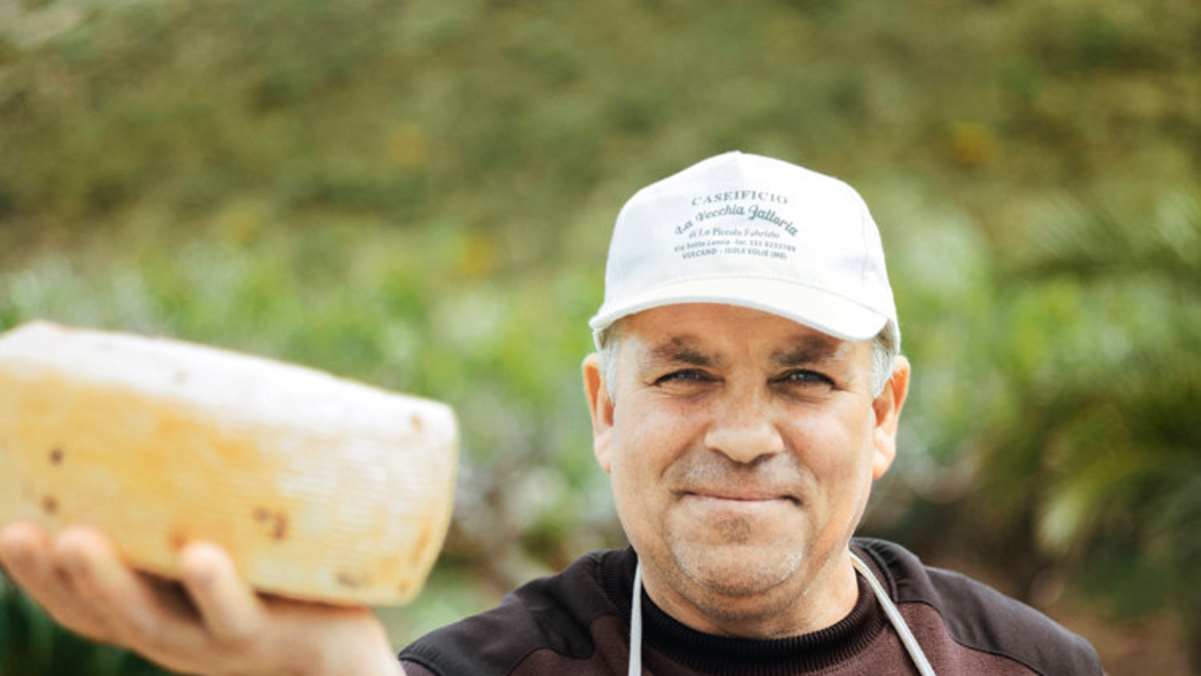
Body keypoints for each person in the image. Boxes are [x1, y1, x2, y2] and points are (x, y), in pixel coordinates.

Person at [0, 152, 1103, 675]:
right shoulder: (480, 672)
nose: (740, 432)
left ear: (882, 413)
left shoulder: (1026, 665)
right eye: (683, 374)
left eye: (805, 377)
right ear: (603, 407)